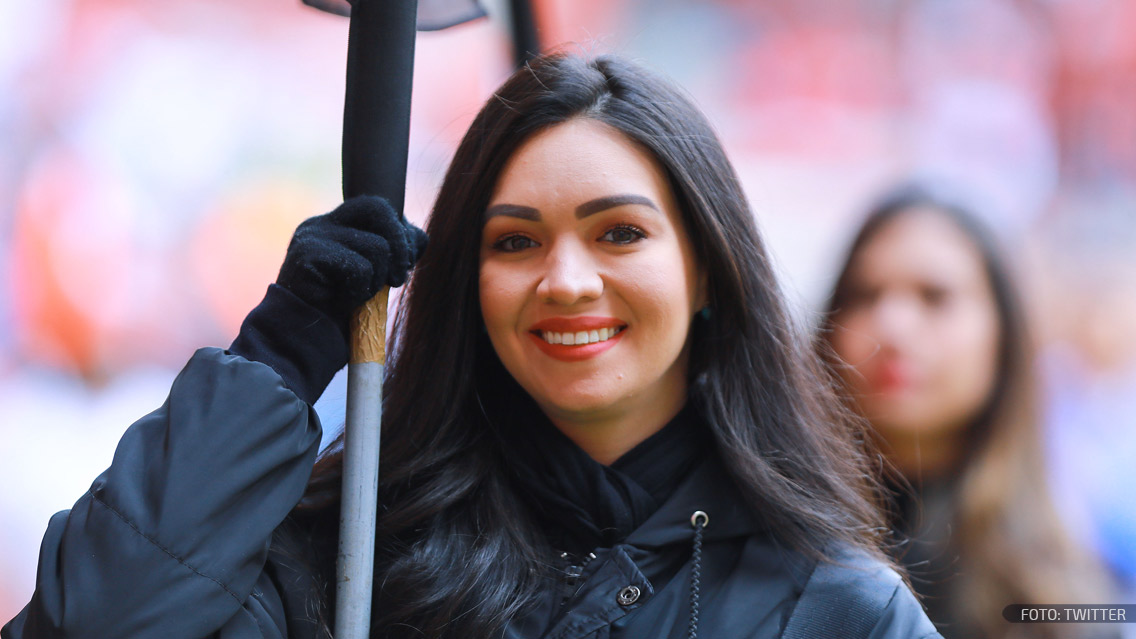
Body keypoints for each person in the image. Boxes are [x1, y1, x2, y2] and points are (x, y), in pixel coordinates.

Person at [3, 54, 940, 639]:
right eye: (515, 240)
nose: (566, 279)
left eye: (619, 233)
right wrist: (275, 363)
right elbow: (96, 619)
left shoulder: (838, 610)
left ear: (708, 273)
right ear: (466, 285)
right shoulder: (346, 559)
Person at [819, 186, 1115, 639]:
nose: (893, 326)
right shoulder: (774, 546)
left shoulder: (1066, 597)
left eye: (934, 296)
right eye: (864, 294)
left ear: (1004, 335)